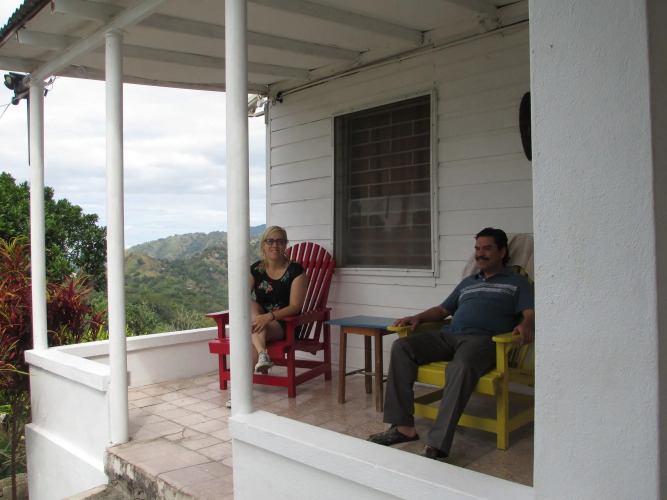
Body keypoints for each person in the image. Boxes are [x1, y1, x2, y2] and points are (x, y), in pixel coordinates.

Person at [367, 227, 535, 459]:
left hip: (485, 340)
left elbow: (529, 313)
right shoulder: (468, 283)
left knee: (460, 366)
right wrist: (418, 317)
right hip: (449, 336)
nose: (480, 254)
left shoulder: (517, 282)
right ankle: (403, 428)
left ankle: (436, 443)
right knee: (402, 347)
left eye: (487, 248)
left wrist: (527, 324)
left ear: (502, 252)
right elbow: (443, 310)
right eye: (477, 249)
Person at [250, 225, 307, 373]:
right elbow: (241, 297)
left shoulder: (295, 271)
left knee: (250, 333)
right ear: (263, 244)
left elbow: (295, 306)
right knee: (247, 304)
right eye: (270, 241)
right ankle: (262, 354)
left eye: (280, 241)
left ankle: (240, 387)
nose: (275, 245)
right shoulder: (256, 269)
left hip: (285, 323)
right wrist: (260, 318)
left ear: (285, 244)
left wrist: (268, 317)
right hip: (259, 318)